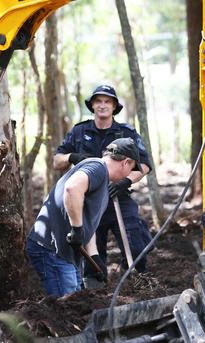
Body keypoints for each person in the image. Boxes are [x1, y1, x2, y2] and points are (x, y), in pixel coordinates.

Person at [54, 84, 153, 282]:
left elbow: (144, 166)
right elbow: (57, 161)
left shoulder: (127, 132)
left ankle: (134, 284)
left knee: (136, 245)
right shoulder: (79, 131)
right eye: (98, 101)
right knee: (93, 257)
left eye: (107, 101)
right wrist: (72, 156)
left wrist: (125, 181)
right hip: (89, 202)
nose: (102, 105)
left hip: (118, 197)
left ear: (115, 106)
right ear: (92, 106)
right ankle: (96, 293)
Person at [26, 137, 143, 296]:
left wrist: (94, 257)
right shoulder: (98, 168)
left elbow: (87, 219)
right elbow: (72, 188)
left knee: (77, 300)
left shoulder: (102, 179)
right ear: (126, 162)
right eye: (131, 168)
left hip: (64, 253)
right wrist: (76, 228)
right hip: (51, 249)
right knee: (66, 307)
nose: (129, 174)